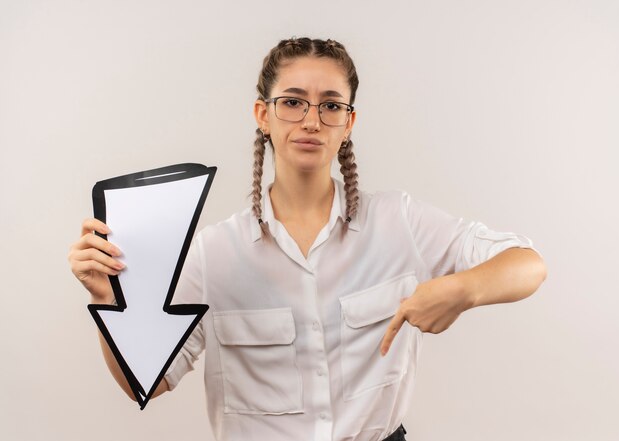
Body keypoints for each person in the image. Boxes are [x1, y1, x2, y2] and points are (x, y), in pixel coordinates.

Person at [68, 37, 547, 441]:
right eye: (293, 102)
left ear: (348, 122)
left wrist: (461, 290)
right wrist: (108, 299)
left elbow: (527, 264)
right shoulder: (213, 253)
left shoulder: (398, 220)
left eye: (331, 105)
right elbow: (146, 384)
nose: (311, 120)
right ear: (263, 114)